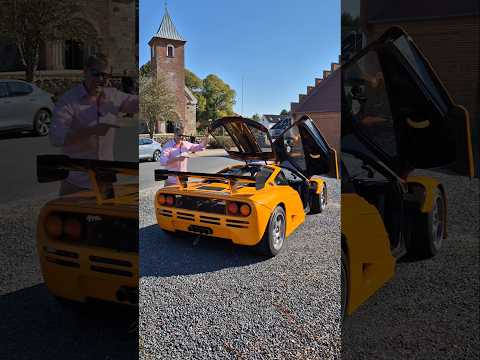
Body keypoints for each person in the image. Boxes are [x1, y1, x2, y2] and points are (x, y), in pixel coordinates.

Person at [49, 53, 139, 195]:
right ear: (85, 71)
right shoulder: (68, 100)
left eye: (106, 76)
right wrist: (90, 131)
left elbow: (137, 103)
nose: (101, 80)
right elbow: (56, 138)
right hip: (77, 182)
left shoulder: (112, 96)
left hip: (105, 180)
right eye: (96, 74)